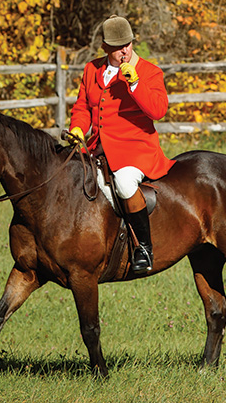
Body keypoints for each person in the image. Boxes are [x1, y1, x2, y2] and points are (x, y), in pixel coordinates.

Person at [67, 15, 175, 272]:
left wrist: (135, 83)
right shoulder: (91, 70)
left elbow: (158, 110)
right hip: (97, 147)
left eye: (127, 44)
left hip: (136, 148)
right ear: (105, 48)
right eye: (117, 46)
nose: (124, 51)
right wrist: (78, 128)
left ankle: (144, 249)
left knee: (124, 183)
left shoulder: (149, 71)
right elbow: (83, 106)